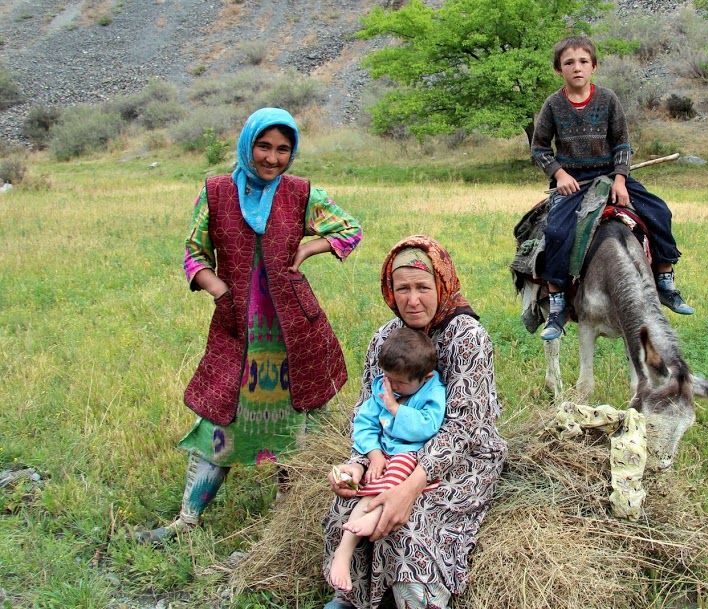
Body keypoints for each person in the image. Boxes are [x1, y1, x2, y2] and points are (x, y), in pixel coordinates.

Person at [138, 107, 362, 543]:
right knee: (218, 417)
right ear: (247, 144)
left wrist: (309, 249)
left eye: (283, 149)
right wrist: (219, 289)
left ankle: (284, 521)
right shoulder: (216, 192)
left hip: (294, 332)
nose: (273, 158)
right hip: (238, 330)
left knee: (297, 423)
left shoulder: (301, 193)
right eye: (264, 146)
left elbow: (349, 230)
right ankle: (186, 522)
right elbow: (193, 253)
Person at [322, 236, 508, 609]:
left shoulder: (466, 337)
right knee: (347, 507)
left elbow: (463, 427)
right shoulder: (384, 339)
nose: (412, 299)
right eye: (402, 288)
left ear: (441, 284)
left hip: (459, 457)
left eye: (423, 287)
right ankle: (352, 598)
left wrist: (409, 488)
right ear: (389, 291)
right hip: (393, 452)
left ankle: (417, 600)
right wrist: (361, 462)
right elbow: (367, 409)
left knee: (409, 516)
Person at [531, 35, 694, 341]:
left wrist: (620, 178)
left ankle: (665, 280)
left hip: (610, 174)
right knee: (555, 231)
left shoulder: (608, 100)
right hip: (574, 182)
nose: (576, 68)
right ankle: (556, 304)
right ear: (559, 70)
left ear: (594, 66)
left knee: (659, 210)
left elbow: (621, 144)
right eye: (569, 63)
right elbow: (539, 149)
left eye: (583, 62)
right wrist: (559, 174)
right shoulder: (553, 105)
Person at [328, 326, 447, 593]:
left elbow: (429, 426)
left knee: (391, 481)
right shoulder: (385, 386)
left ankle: (368, 524)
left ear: (424, 378)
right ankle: (343, 553)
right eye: (388, 378)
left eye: (400, 383)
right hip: (385, 454)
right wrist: (373, 454)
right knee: (365, 494)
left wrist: (396, 410)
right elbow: (365, 422)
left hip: (412, 456)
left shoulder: (432, 391)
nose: (391, 387)